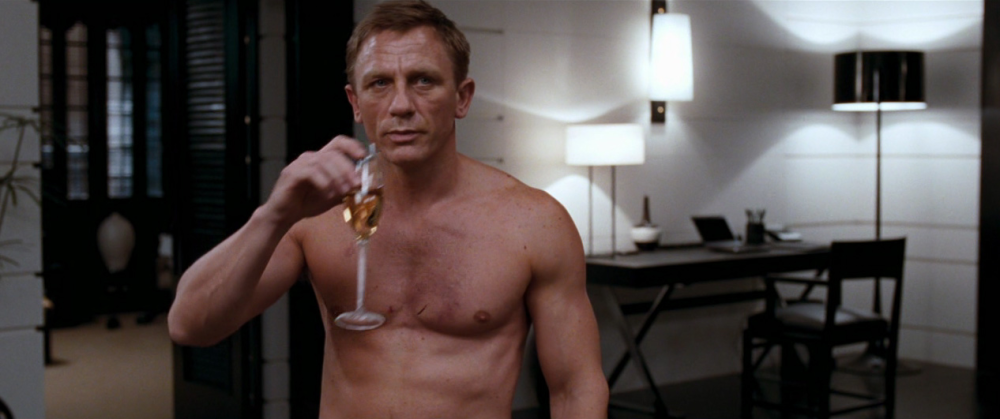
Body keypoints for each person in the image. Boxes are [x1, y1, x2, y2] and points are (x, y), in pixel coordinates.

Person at [167, 1, 609, 418]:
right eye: (379, 84)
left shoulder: (533, 222)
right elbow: (190, 325)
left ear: (462, 97)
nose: (401, 106)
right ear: (355, 103)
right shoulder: (318, 211)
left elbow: (576, 388)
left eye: (423, 80)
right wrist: (273, 214)